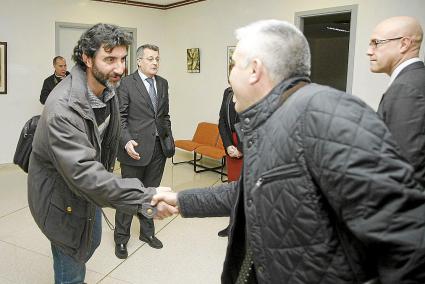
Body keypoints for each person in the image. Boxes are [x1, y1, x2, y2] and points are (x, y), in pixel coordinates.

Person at [152, 19, 425, 283]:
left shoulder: (324, 113)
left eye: (233, 65)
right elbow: (252, 190)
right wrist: (182, 200)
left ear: (254, 70)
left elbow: (406, 238)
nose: (230, 76)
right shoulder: (274, 121)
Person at [27, 23, 176, 284]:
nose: (119, 68)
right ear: (86, 58)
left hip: (89, 195)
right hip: (62, 200)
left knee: (90, 242)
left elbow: (110, 136)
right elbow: (84, 173)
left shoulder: (109, 91)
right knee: (71, 264)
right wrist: (145, 197)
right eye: (109, 59)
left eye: (122, 59)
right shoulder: (63, 107)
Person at [114, 44, 174, 258]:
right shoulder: (126, 84)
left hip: (158, 150)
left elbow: (164, 115)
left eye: (157, 58)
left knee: (151, 195)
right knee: (129, 196)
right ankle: (121, 238)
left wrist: (167, 137)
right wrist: (127, 141)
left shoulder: (163, 83)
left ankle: (147, 233)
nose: (155, 62)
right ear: (139, 61)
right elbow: (119, 118)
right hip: (135, 149)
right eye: (150, 58)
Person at [367, 16, 425, 187]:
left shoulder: (406, 89)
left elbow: (404, 166)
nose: (369, 51)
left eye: (376, 43)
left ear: (404, 44)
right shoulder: (417, 79)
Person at [217, 85, 243, 237]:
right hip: (231, 143)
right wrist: (228, 145)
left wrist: (241, 147)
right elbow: (222, 121)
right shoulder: (227, 92)